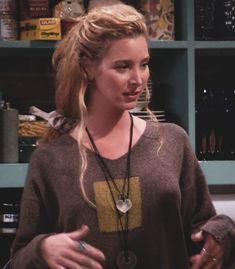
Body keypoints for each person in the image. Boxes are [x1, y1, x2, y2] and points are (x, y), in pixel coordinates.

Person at [10, 3, 235, 269]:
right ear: (88, 68)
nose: (138, 79)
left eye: (144, 64)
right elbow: (19, 258)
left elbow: (204, 224)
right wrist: (43, 248)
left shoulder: (172, 141)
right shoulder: (50, 159)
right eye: (122, 67)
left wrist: (221, 234)